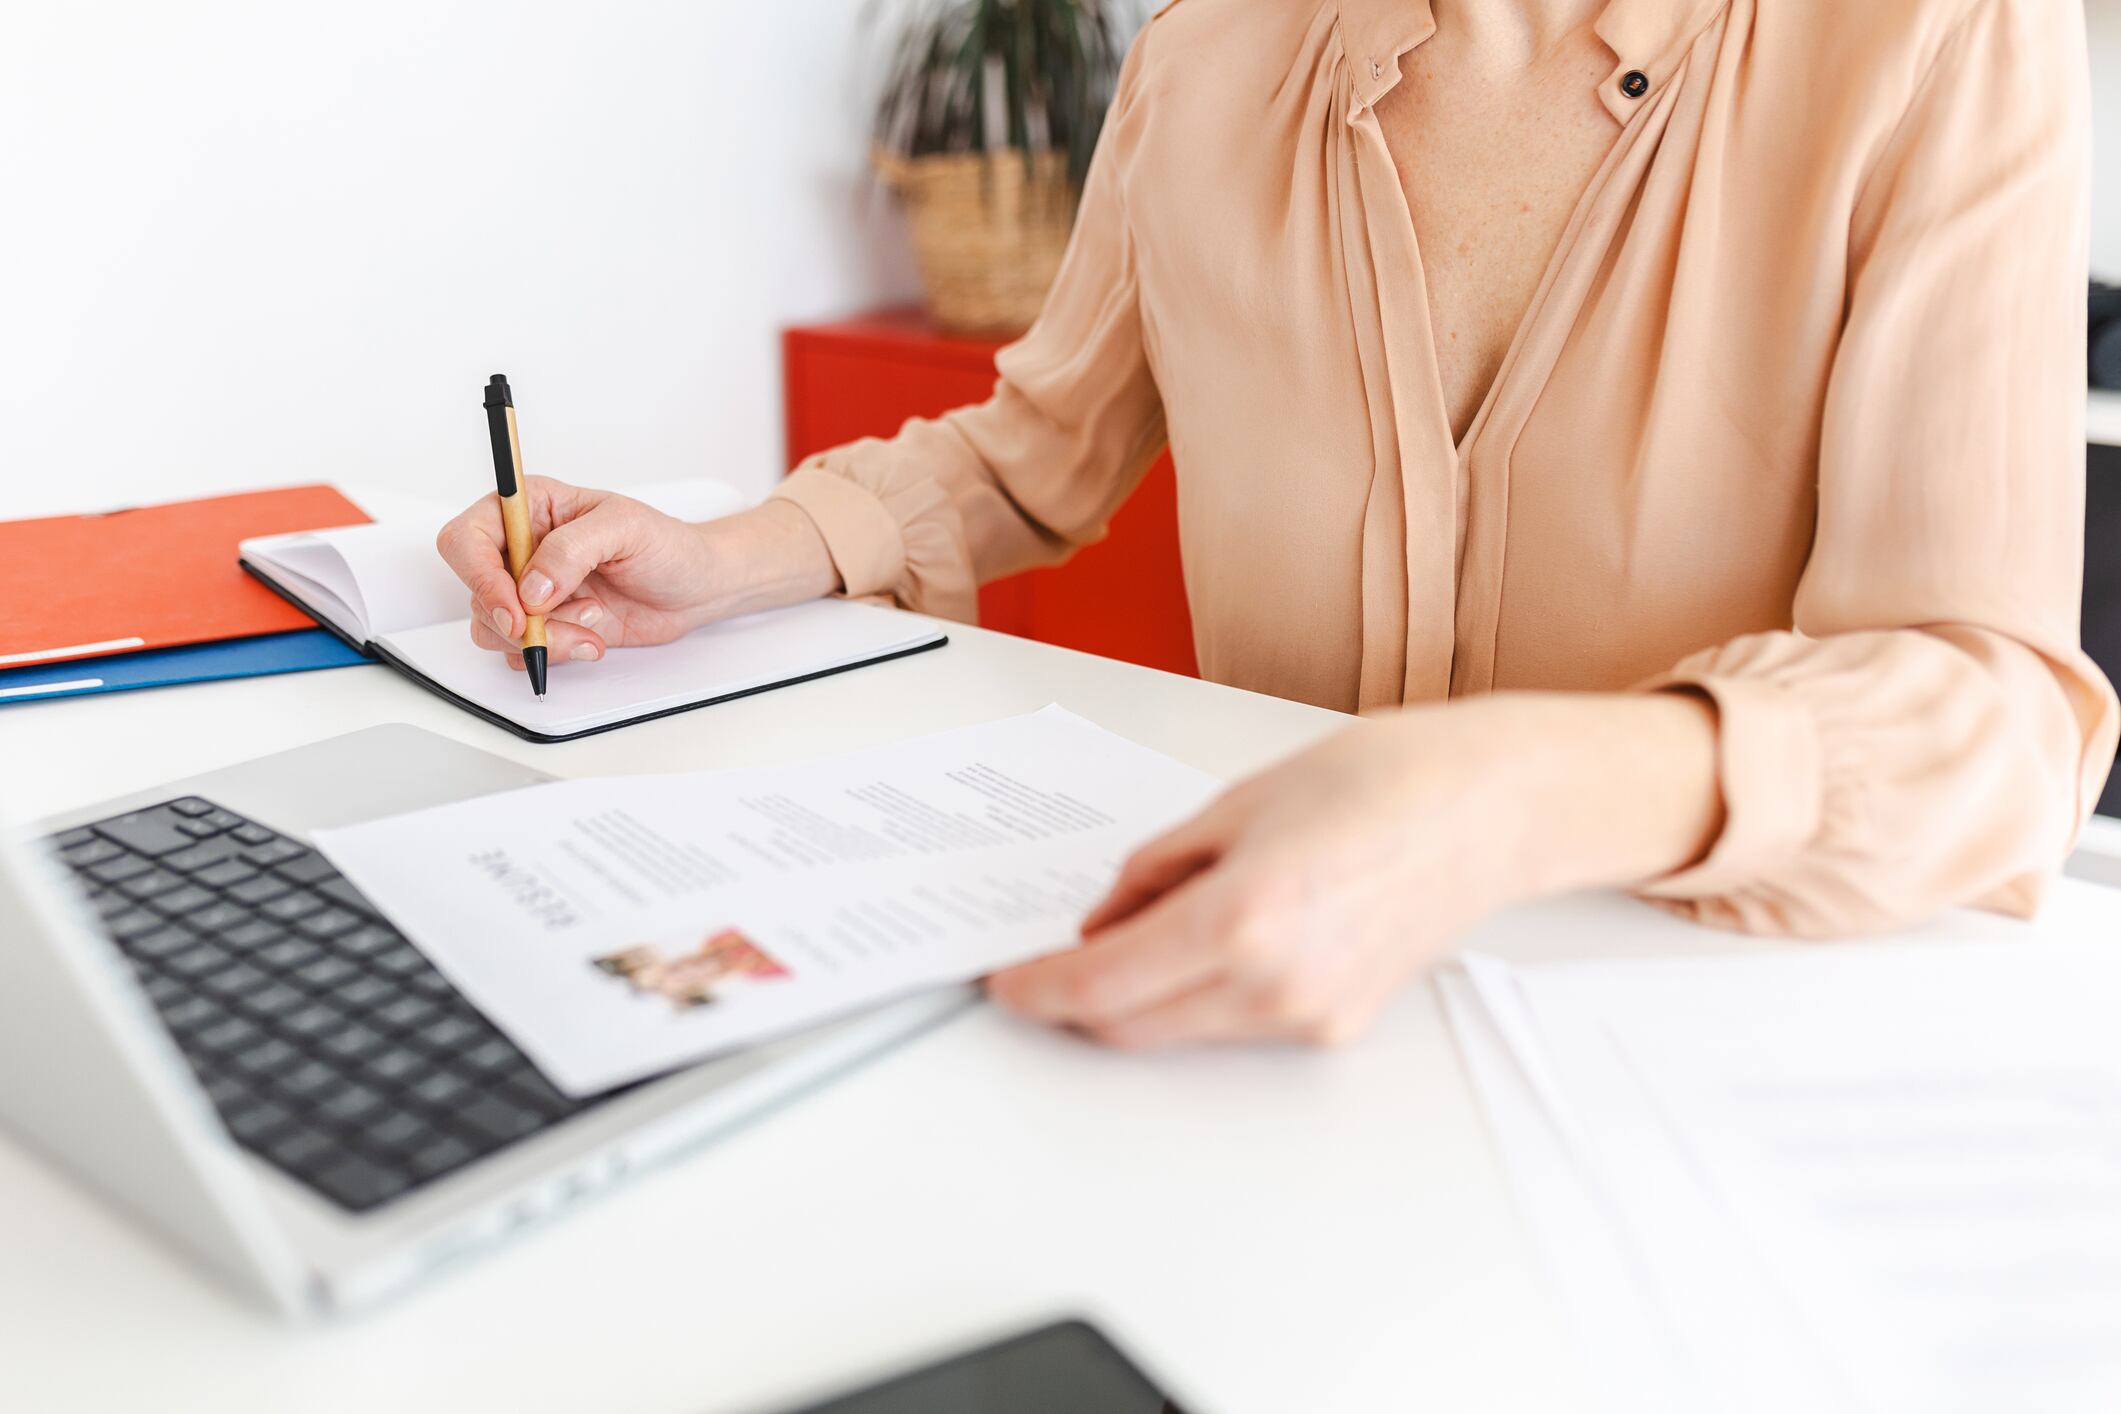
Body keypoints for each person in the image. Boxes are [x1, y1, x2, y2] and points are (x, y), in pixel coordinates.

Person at [439, 0, 2118, 1050]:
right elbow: (1035, 452)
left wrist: (1501, 792)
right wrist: (732, 552)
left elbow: (1989, 709)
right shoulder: (1204, 51)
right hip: (1257, 1019)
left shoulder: (1942, 33)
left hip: (1698, 1025)